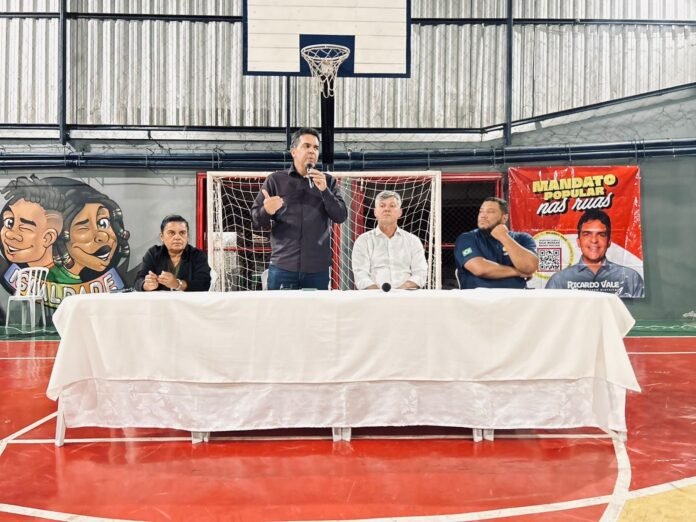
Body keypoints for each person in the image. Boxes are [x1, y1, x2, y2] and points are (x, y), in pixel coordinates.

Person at [251, 127, 347, 290]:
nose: (312, 151)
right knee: (279, 307)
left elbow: (341, 216)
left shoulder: (328, 181)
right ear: (293, 151)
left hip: (317, 270)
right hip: (283, 266)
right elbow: (255, 220)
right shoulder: (275, 180)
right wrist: (266, 210)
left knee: (316, 308)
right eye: (306, 146)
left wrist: (325, 191)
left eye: (315, 148)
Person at [546, 209, 644, 297]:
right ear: (578, 241)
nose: (594, 240)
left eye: (601, 234)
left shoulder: (631, 279)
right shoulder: (558, 281)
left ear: (609, 242)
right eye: (587, 234)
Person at [454, 197, 538, 289]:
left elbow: (530, 267)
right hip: (479, 296)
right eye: (481, 211)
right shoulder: (467, 238)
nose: (483, 216)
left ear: (504, 218)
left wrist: (504, 236)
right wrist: (518, 272)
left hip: (516, 295)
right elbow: (480, 269)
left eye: (490, 212)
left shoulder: (522, 238)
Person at [351, 190, 427, 290]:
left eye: (392, 206)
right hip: (373, 296)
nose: (387, 209)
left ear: (400, 212)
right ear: (375, 212)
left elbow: (420, 274)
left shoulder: (413, 241)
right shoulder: (363, 241)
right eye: (382, 206)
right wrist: (381, 295)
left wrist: (398, 292)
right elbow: (361, 276)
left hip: (406, 295)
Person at [134, 215, 211, 292]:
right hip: (159, 300)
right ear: (162, 237)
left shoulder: (198, 255)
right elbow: (138, 280)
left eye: (182, 233)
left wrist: (178, 284)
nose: (177, 237)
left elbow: (204, 284)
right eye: (171, 233)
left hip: (188, 300)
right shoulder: (153, 253)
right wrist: (146, 285)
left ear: (188, 237)